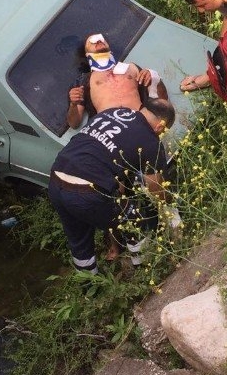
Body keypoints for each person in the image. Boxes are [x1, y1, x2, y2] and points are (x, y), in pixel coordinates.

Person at [49, 97, 177, 274]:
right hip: (88, 189)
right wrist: (169, 207)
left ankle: (90, 288)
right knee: (134, 221)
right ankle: (145, 271)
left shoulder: (112, 113)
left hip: (56, 179)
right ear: (160, 127)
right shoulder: (150, 140)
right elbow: (155, 188)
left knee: (79, 240)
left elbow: (108, 154)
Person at [66, 33, 167, 130]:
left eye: (101, 39)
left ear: (108, 45)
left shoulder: (131, 68)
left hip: (138, 122)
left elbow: (163, 100)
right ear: (86, 53)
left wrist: (154, 78)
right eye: (92, 42)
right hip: (108, 129)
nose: (98, 41)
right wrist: (73, 105)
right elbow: (74, 124)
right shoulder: (83, 81)